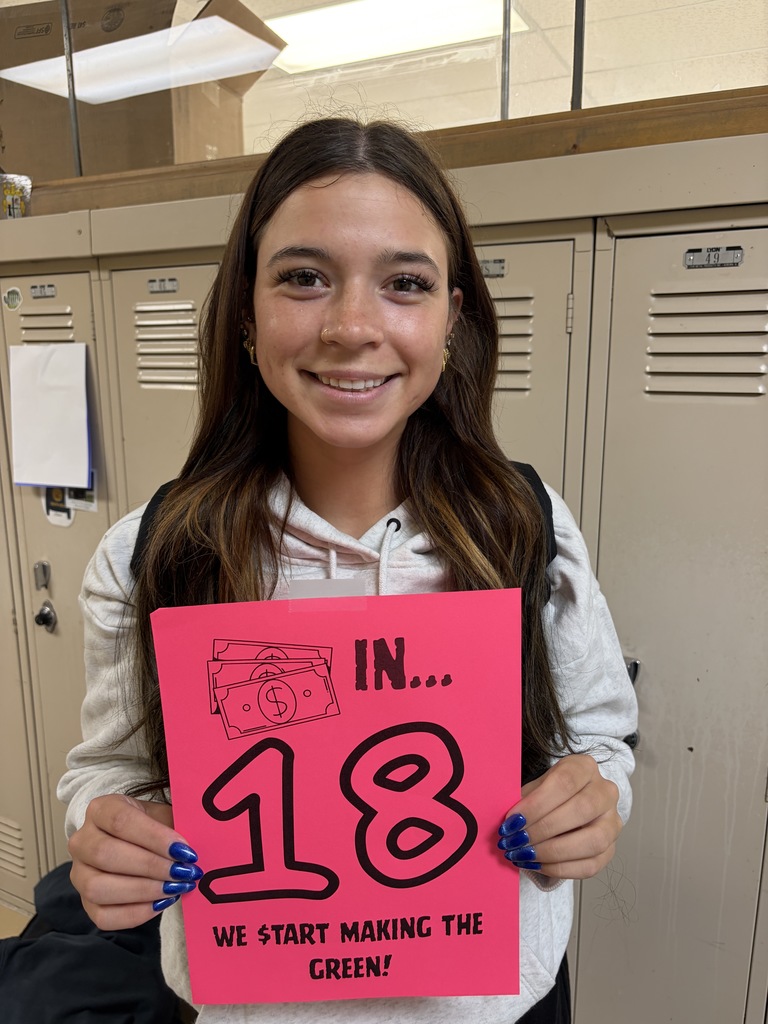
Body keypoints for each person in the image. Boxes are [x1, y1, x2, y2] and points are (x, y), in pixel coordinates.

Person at [59, 117, 638, 1024]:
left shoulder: (524, 526)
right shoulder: (155, 553)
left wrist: (594, 800)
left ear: (453, 319)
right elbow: (111, 770)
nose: (353, 327)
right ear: (245, 313)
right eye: (303, 277)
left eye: (405, 283)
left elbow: (600, 740)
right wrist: (109, 837)